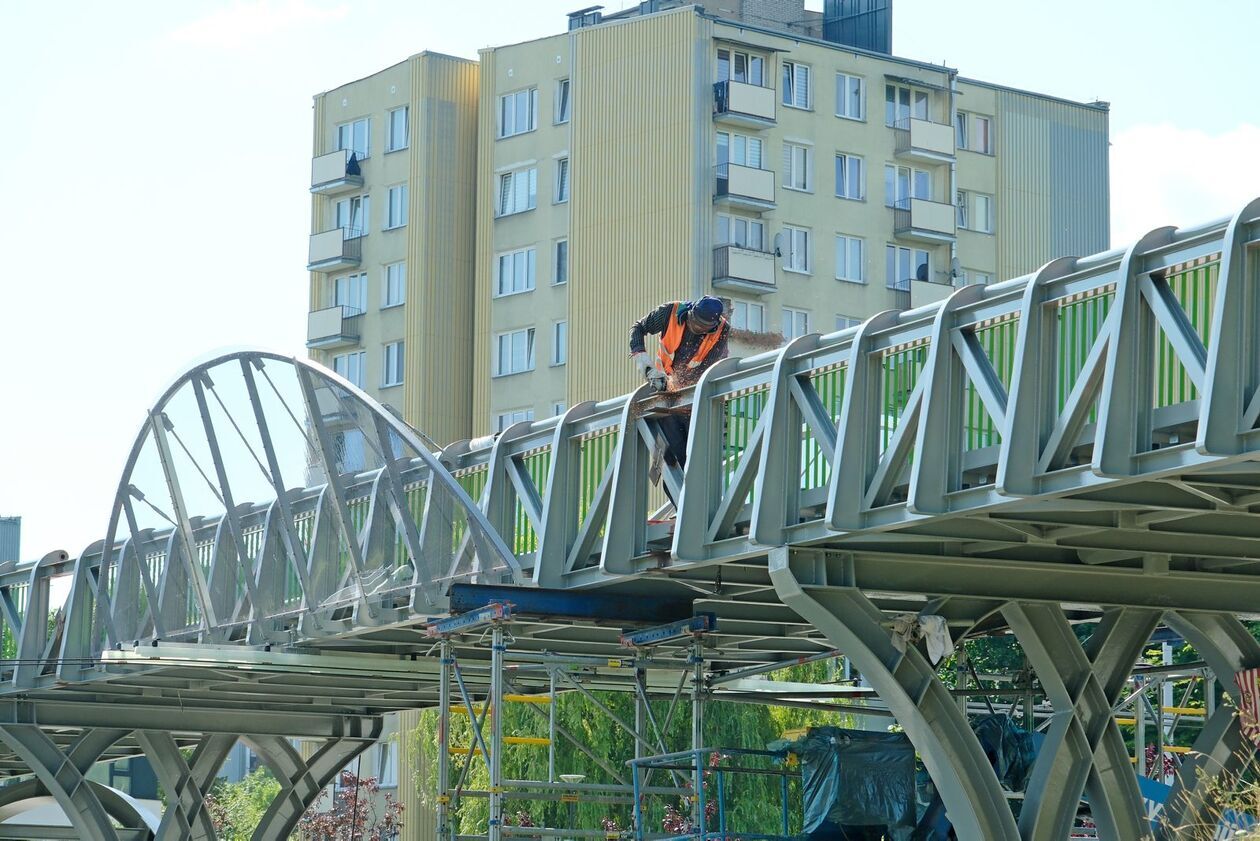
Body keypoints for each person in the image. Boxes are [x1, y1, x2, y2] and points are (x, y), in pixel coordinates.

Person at [628, 296, 730, 471]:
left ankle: (693, 494)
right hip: (663, 396)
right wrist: (647, 366)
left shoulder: (722, 330)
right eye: (694, 323)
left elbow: (707, 368)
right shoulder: (670, 312)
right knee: (671, 456)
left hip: (694, 398)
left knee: (696, 457)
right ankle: (676, 494)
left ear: (712, 326)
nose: (696, 328)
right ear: (690, 313)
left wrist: (680, 385)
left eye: (702, 327)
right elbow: (638, 329)